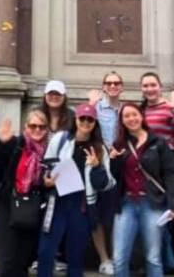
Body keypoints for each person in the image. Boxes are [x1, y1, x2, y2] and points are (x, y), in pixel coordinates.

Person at [37, 104, 114, 277]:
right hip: (57, 201)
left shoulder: (100, 148)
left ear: (95, 123)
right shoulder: (60, 139)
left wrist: (97, 167)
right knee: (46, 250)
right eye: (82, 118)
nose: (86, 122)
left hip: (82, 205)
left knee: (76, 255)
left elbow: (106, 184)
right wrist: (46, 180)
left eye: (90, 119)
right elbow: (45, 166)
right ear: (76, 120)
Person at [109, 103, 174, 277]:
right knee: (119, 258)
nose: (131, 119)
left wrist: (173, 204)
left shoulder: (158, 142)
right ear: (122, 121)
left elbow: (171, 173)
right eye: (126, 116)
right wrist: (113, 160)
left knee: (153, 258)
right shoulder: (119, 144)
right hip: (126, 204)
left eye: (134, 114)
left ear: (141, 116)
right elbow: (115, 176)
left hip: (152, 203)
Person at [0, 109, 49, 277]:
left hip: (31, 208)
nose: (37, 130)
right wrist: (2, 144)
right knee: (7, 259)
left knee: (23, 260)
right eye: (33, 126)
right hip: (7, 205)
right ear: (25, 127)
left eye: (42, 127)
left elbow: (46, 183)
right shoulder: (14, 143)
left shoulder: (47, 151)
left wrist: (46, 184)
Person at [139, 71, 174, 274]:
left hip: (168, 168)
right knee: (151, 215)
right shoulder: (140, 111)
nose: (149, 89)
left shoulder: (171, 108)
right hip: (147, 170)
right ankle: (155, 262)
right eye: (145, 85)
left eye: (153, 85)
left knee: (172, 213)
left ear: (160, 86)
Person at [88, 71, 124, 275]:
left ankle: (118, 256)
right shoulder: (95, 108)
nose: (112, 86)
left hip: (121, 165)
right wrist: (91, 105)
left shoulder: (127, 110)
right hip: (99, 163)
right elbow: (83, 127)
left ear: (122, 87)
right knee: (97, 213)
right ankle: (104, 258)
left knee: (118, 213)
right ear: (103, 86)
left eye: (116, 83)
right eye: (108, 83)